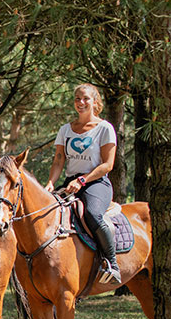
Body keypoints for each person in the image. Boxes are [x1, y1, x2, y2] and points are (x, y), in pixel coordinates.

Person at [45, 83, 121, 284]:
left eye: (85, 98)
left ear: (95, 102)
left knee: (92, 215)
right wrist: (51, 183)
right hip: (71, 183)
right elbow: (59, 160)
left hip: (95, 183)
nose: (81, 102)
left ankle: (111, 264)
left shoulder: (105, 128)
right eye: (77, 98)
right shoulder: (65, 130)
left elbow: (108, 164)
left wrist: (83, 180)